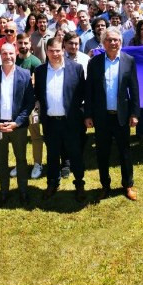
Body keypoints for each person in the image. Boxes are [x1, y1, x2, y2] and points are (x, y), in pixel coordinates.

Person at [85, 28, 140, 201]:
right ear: (103, 42)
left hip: (121, 116)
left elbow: (135, 90)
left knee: (125, 152)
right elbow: (89, 92)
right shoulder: (94, 62)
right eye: (109, 40)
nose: (113, 43)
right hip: (101, 117)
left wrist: (134, 113)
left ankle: (128, 185)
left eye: (116, 40)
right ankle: (105, 185)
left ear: (121, 42)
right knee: (102, 153)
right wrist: (88, 115)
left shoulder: (128, 61)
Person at [34, 36, 88, 200]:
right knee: (52, 155)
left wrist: (83, 115)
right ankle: (52, 183)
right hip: (50, 122)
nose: (55, 54)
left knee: (75, 154)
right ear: (47, 52)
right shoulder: (40, 71)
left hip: (71, 122)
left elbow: (83, 94)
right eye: (51, 51)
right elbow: (39, 95)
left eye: (58, 50)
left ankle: (79, 184)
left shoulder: (76, 69)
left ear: (63, 50)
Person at [0, 42, 34, 205]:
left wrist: (17, 123)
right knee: (1, 161)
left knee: (21, 160)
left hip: (18, 127)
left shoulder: (25, 74)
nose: (8, 57)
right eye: (4, 53)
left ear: (16, 53)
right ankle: (4, 191)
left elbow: (29, 103)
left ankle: (23, 191)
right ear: (0, 55)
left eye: (11, 53)